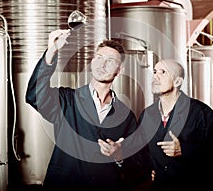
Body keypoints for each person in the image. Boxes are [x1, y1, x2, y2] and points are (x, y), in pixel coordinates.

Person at [25, 29, 148, 190]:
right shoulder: (67, 100)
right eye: (99, 58)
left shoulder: (126, 116)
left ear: (120, 71)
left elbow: (139, 163)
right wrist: (51, 52)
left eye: (110, 61)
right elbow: (34, 95)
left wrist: (119, 155)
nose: (102, 64)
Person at [137, 59, 213, 191]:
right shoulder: (147, 115)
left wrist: (184, 150)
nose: (155, 76)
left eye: (163, 72)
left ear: (177, 82)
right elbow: (142, 152)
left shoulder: (201, 112)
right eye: (154, 71)